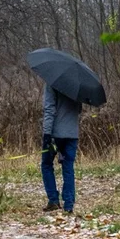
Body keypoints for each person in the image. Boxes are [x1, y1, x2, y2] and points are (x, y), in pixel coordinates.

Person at [41, 83, 81, 213]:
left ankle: (53, 200)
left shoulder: (52, 84)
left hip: (55, 133)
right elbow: (78, 109)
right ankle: (69, 204)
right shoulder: (78, 86)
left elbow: (49, 109)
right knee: (68, 167)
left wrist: (47, 134)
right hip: (72, 133)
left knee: (46, 165)